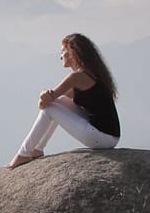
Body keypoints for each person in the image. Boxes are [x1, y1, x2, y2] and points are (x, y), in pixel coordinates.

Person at [7, 33, 120, 168]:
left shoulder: (76, 77)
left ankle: (24, 154)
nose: (60, 56)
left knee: (51, 108)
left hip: (101, 138)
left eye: (63, 51)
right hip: (109, 137)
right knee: (57, 103)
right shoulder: (90, 74)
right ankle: (37, 149)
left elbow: (45, 104)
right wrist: (46, 98)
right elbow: (52, 101)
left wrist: (44, 93)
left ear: (73, 53)